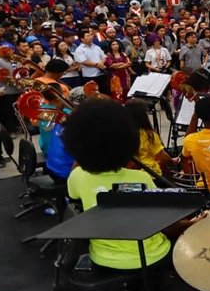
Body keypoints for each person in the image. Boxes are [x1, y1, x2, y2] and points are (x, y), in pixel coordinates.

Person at [62, 99, 172, 270]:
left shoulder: (76, 176)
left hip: (102, 259)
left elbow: (75, 197)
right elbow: (157, 219)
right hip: (150, 257)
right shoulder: (141, 179)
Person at [127, 100, 175, 174]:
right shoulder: (149, 135)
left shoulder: (122, 134)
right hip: (150, 174)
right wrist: (172, 161)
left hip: (130, 174)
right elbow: (162, 157)